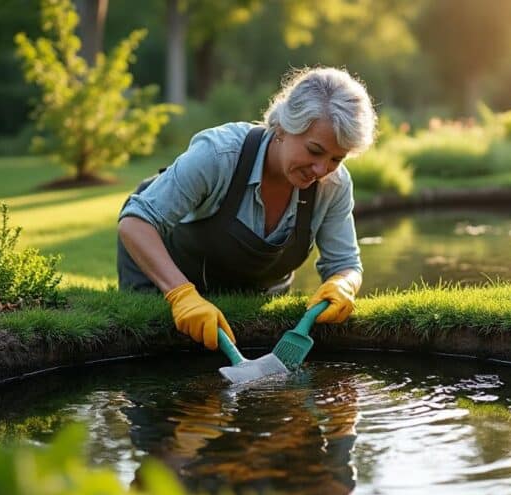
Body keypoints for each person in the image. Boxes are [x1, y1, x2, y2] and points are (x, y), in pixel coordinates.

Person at [117, 67, 376, 351]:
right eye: (314, 151)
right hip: (168, 281)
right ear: (284, 126)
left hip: (257, 294)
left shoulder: (333, 184)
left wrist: (343, 284)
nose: (321, 169)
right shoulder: (218, 155)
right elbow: (136, 222)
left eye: (336, 159)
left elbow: (345, 264)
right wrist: (181, 295)